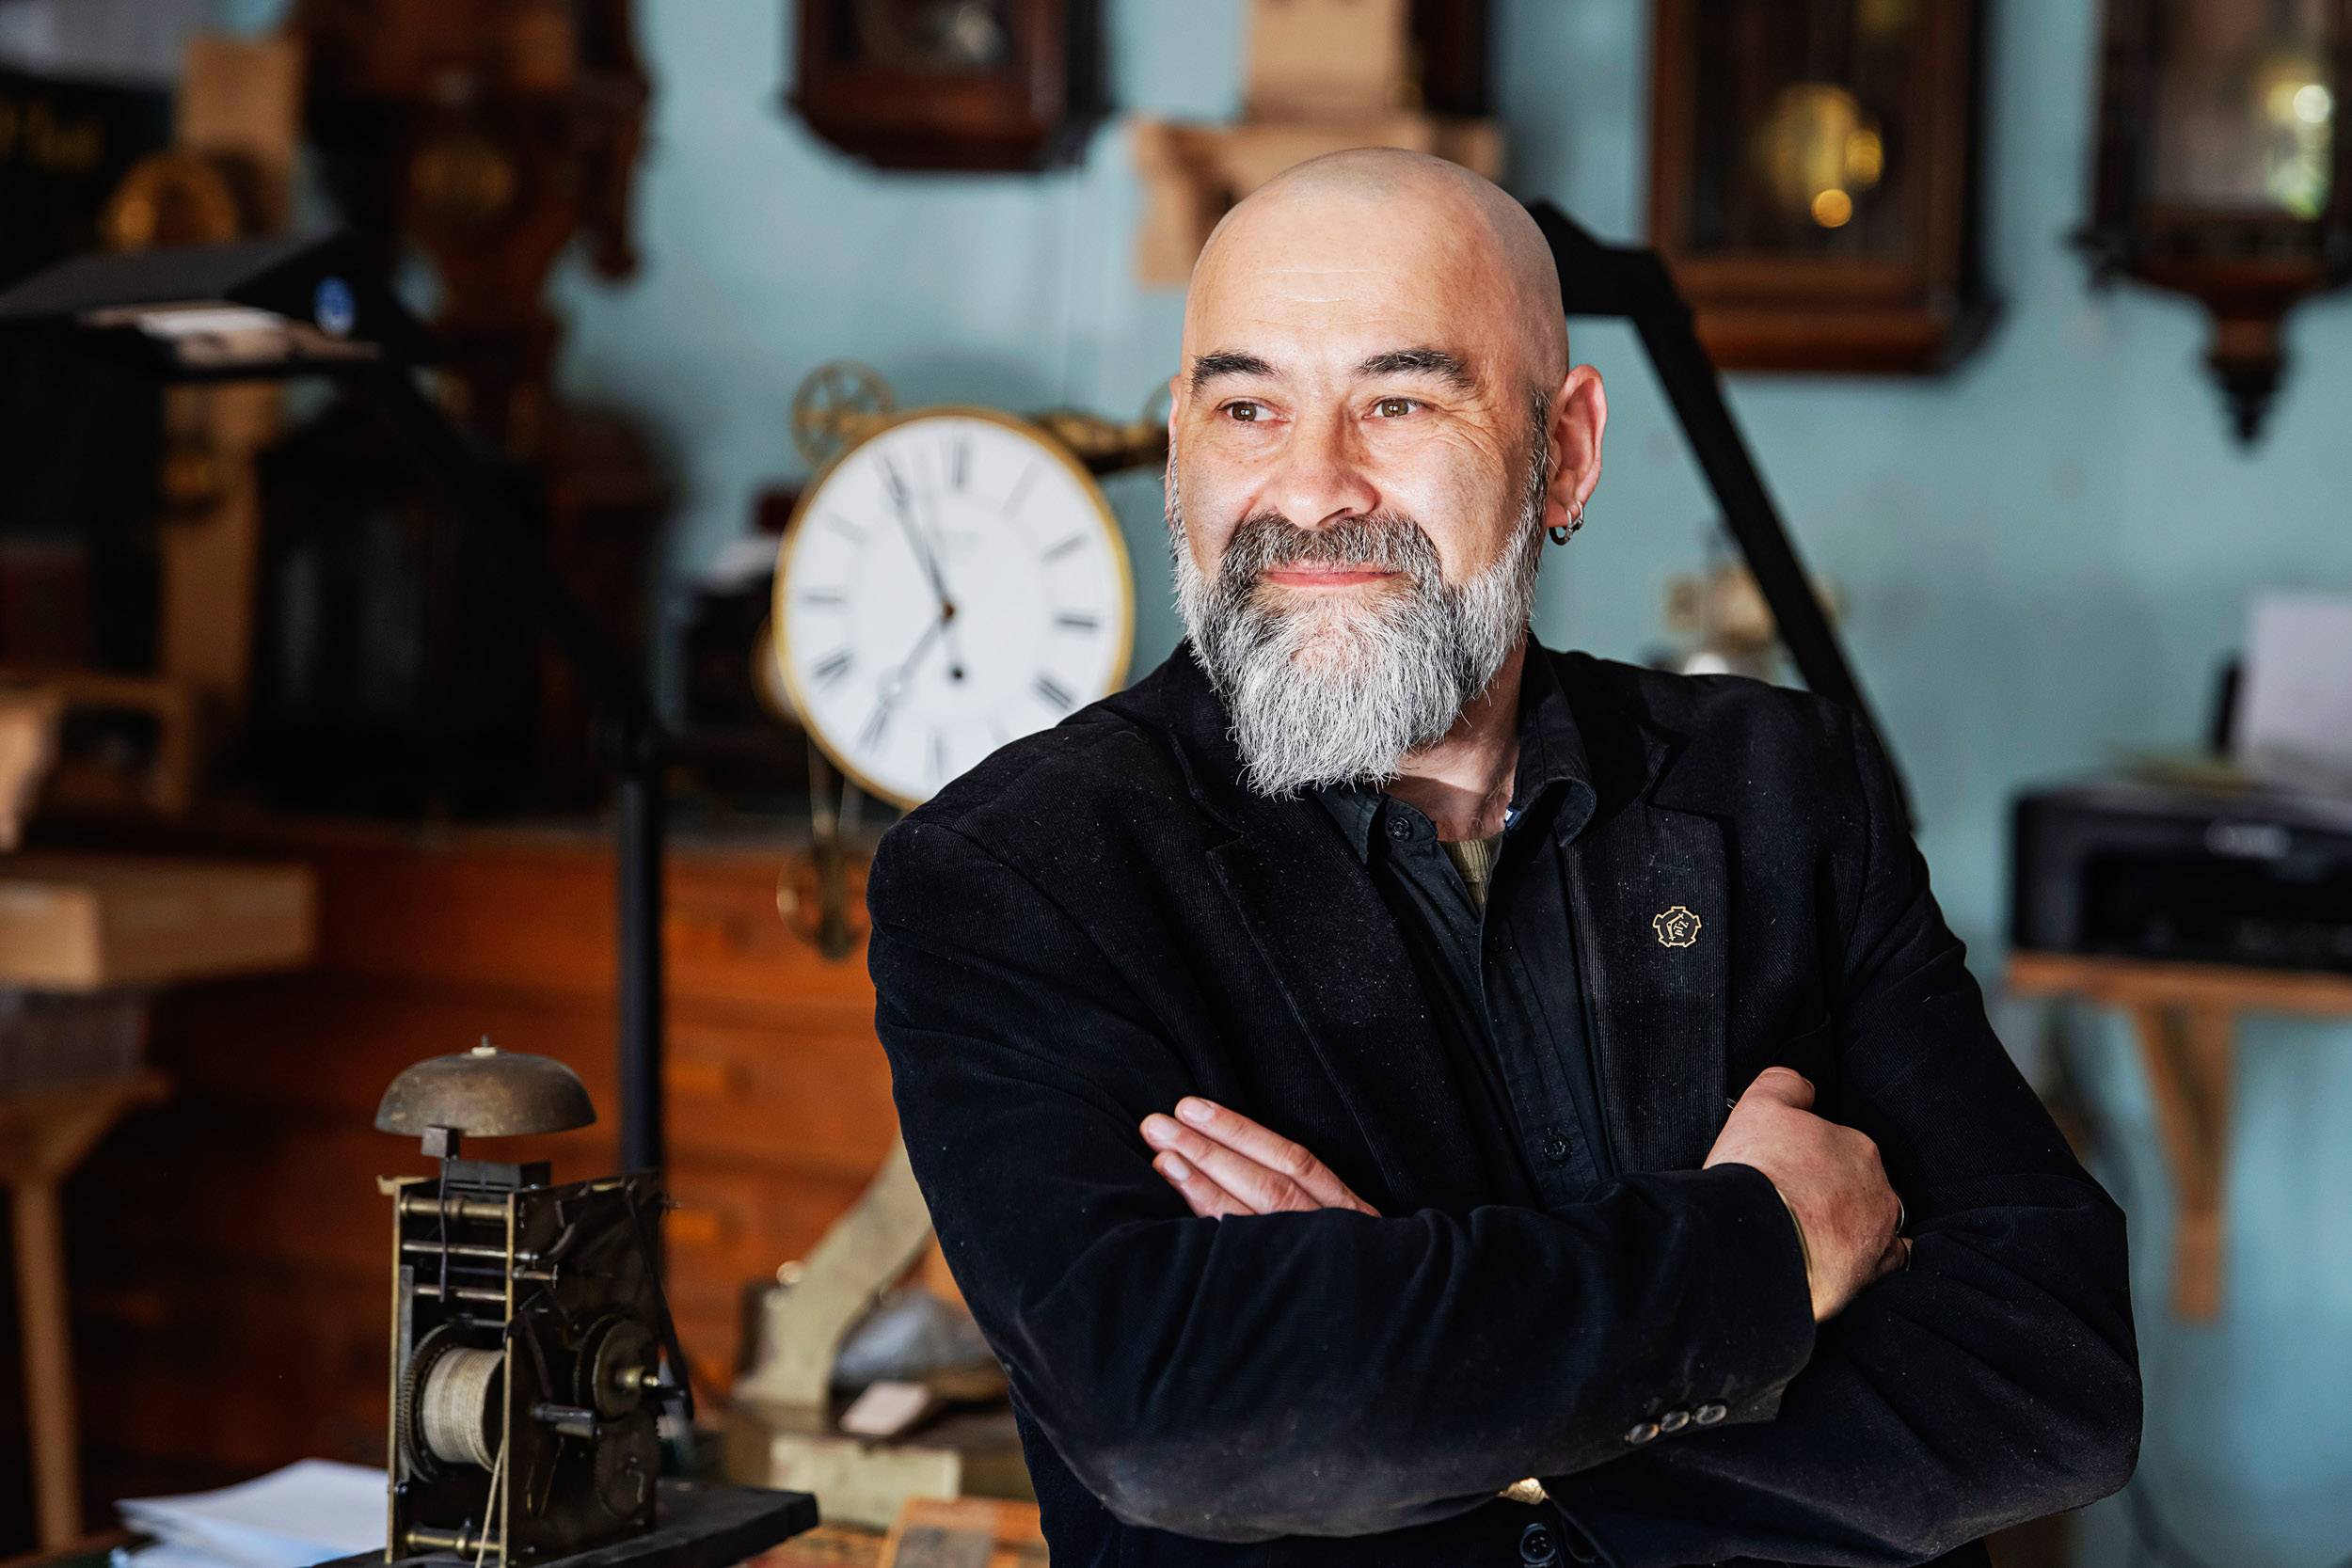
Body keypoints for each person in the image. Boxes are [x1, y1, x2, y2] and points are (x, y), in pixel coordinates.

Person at [865, 149, 2139, 1568]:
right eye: (1247, 408)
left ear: (1566, 453)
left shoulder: (1783, 790)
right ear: (1179, 454)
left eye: (1398, 402)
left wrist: (1435, 1405)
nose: (1312, 489)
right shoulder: (1017, 875)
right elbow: (1171, 1419)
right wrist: (1762, 1256)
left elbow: (2054, 1382)